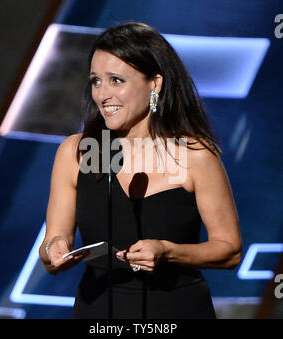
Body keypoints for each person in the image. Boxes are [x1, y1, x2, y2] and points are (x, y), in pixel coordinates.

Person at [39, 22, 242, 319]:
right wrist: (54, 251)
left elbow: (230, 250)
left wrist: (168, 251)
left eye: (116, 80)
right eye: (96, 81)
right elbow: (53, 241)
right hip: (100, 312)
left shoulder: (195, 155)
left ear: (155, 84)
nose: (102, 94)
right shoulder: (76, 152)